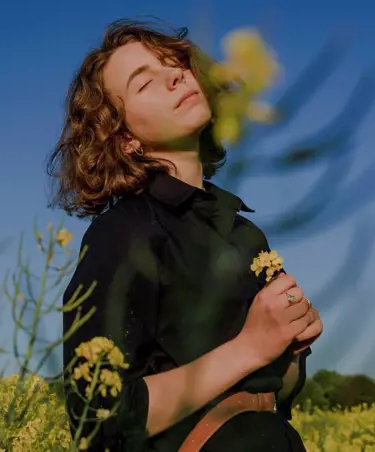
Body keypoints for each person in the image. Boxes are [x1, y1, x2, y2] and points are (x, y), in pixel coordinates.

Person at [46, 19, 323, 452]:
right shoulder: (122, 233)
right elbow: (98, 419)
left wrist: (290, 349)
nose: (176, 74)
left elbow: (276, 395)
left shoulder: (246, 232)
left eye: (172, 63)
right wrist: (251, 346)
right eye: (144, 83)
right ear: (125, 141)